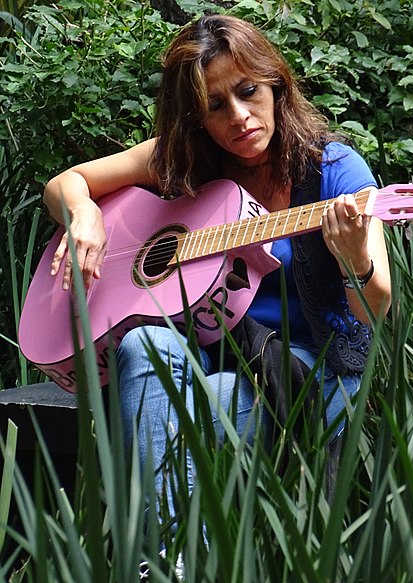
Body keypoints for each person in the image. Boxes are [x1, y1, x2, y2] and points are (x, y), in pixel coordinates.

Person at [43, 14, 391, 528]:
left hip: (307, 369)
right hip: (210, 350)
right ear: (196, 118)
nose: (239, 116)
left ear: (275, 83)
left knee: (165, 414)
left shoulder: (333, 171)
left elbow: (375, 306)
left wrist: (355, 259)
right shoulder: (186, 160)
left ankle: (164, 566)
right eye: (215, 105)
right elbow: (65, 182)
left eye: (248, 91)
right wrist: (85, 213)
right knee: (144, 348)